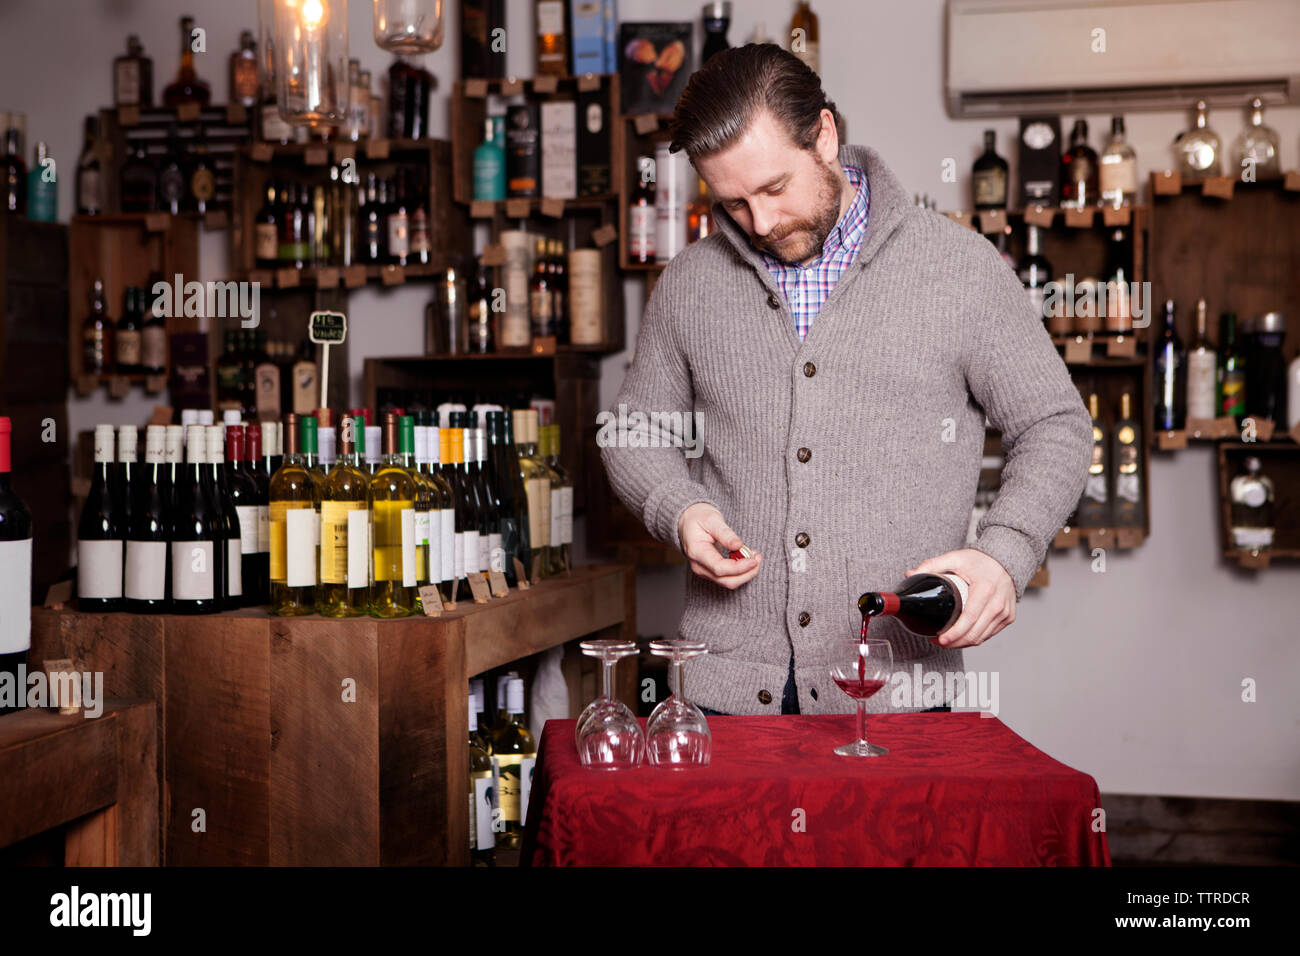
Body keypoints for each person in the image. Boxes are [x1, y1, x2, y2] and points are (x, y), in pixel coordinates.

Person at [600, 44, 1092, 716]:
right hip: (725, 699)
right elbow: (631, 432)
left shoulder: (959, 268)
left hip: (903, 694)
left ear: (825, 135)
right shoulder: (690, 283)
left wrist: (1006, 552)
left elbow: (1054, 424)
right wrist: (680, 510)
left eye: (774, 188)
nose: (763, 223)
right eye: (735, 203)